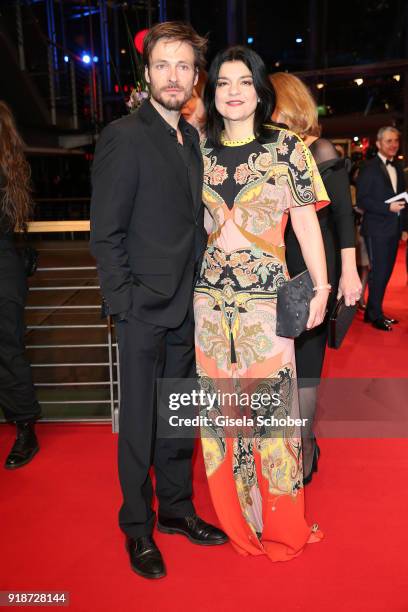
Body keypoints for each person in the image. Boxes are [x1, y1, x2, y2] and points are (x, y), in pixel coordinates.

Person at [90, 22, 227, 581]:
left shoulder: (190, 137)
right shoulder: (126, 134)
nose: (174, 76)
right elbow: (107, 231)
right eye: (163, 65)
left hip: (186, 308)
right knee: (140, 427)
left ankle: (176, 511)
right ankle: (137, 529)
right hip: (142, 311)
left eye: (184, 67)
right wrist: (123, 302)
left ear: (196, 77)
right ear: (147, 75)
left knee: (177, 422)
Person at [194, 46, 329, 562]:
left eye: (243, 82)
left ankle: (279, 521)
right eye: (223, 82)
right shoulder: (196, 150)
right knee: (221, 418)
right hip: (208, 307)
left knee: (272, 416)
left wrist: (320, 286)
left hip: (266, 306)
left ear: (259, 90)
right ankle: (238, 521)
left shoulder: (285, 147)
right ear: (213, 92)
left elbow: (306, 221)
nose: (232, 91)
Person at [270, 72, 361, 481]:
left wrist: (349, 273)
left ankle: (305, 448)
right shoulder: (263, 151)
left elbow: (343, 214)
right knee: (275, 369)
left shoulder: (317, 148)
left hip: (312, 271)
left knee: (305, 371)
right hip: (270, 272)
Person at [0, 101, 41, 469]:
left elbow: (13, 219)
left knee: (7, 350)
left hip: (3, 265)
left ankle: (25, 427)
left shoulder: (8, 167)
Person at [357, 126, 406, 330]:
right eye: (388, 141)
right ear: (378, 143)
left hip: (393, 229)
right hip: (376, 229)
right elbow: (362, 200)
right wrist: (388, 207)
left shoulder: (399, 168)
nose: (393, 144)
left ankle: (374, 311)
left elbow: (403, 201)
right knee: (378, 273)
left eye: (395, 141)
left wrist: (404, 227)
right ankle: (375, 314)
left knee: (385, 273)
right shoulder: (368, 167)